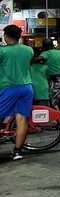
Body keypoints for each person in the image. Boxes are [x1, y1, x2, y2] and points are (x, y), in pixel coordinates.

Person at [0, 25, 34, 160]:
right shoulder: (28, 50)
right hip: (26, 87)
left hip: (8, 87)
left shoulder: (3, 51)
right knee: (21, 119)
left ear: (6, 36)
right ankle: (17, 152)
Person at [35, 39, 60, 127]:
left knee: (50, 101)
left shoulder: (46, 53)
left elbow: (40, 58)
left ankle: (59, 121)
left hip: (58, 79)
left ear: (44, 47)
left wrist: (31, 60)